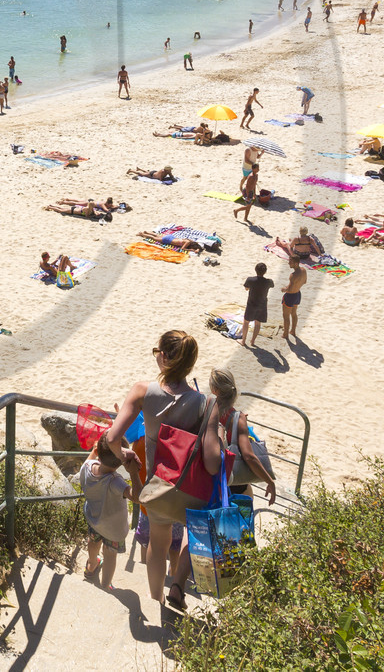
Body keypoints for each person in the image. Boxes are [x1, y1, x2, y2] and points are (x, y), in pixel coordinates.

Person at [101, 330, 204, 611]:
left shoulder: (143, 391)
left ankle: (156, 600)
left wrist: (127, 458)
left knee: (157, 546)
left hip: (156, 484)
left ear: (163, 356)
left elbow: (112, 438)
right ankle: (178, 586)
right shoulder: (200, 402)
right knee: (182, 537)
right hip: (184, 486)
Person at [201, 369, 276, 505]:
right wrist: (269, 481)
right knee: (243, 519)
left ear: (213, 390)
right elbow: (248, 456)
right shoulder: (237, 418)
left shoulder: (205, 409)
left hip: (208, 477)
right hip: (233, 480)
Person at [80, 436, 135, 590]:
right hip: (113, 530)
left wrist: (94, 451)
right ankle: (105, 585)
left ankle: (91, 566)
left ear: (98, 452)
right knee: (110, 555)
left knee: (93, 543)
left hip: (94, 520)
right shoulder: (116, 482)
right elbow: (136, 497)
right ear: (121, 462)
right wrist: (134, 473)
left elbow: (89, 461)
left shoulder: (87, 467)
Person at [241, 262, 272, 347]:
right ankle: (253, 341)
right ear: (265, 271)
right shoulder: (268, 282)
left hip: (252, 304)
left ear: (255, 270)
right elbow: (272, 285)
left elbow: (246, 288)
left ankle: (243, 341)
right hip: (262, 304)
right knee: (258, 324)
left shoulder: (250, 280)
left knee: (246, 322)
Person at [280, 256, 306, 341]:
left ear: (296, 263)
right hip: (298, 294)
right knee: (294, 313)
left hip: (290, 296)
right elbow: (305, 282)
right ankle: (293, 331)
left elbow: (289, 289)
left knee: (286, 316)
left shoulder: (293, 275)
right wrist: (296, 286)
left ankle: (285, 334)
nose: (288, 263)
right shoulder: (304, 270)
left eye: (290, 262)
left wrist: (284, 289)